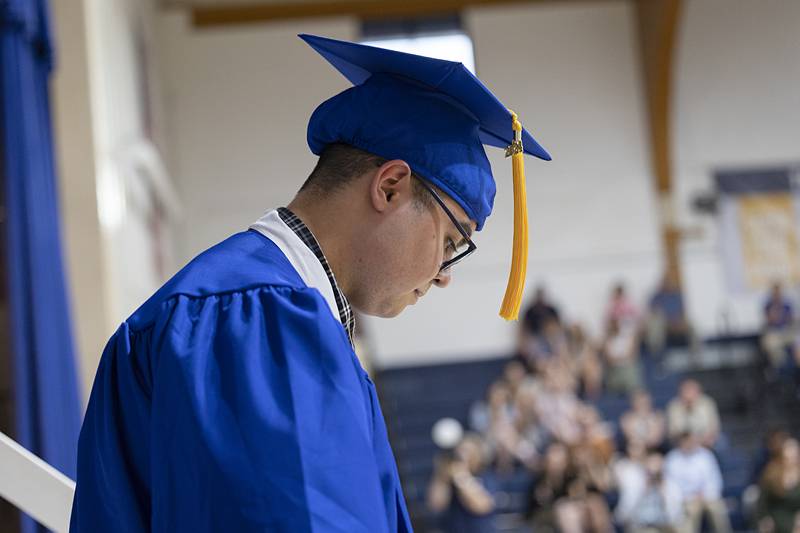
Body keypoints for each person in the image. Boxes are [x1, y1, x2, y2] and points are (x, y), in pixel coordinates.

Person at [69, 34, 551, 532]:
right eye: (452, 241)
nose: (445, 275)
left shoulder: (245, 307)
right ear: (390, 187)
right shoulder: (260, 322)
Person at [427, 434, 497, 533]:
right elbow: (436, 505)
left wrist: (461, 476)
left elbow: (480, 506)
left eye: (468, 452)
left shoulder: (486, 476)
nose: (463, 456)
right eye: (461, 451)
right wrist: (442, 476)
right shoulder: (449, 477)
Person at [664, 433, 731, 533]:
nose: (689, 444)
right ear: (681, 442)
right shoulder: (672, 459)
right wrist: (688, 497)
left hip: (707, 497)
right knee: (691, 511)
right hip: (685, 499)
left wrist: (706, 495)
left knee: (718, 509)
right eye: (686, 442)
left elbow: (714, 481)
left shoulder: (706, 455)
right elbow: (671, 486)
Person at [616, 452, 684, 533]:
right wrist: (642, 491)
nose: (653, 476)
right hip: (640, 527)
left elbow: (676, 517)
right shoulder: (636, 484)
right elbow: (624, 514)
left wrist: (664, 494)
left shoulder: (671, 487)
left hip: (664, 527)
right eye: (650, 473)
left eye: (657, 473)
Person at [757, 437, 800, 533]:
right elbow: (762, 502)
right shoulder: (771, 473)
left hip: (796, 518)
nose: (791, 458)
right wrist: (765, 519)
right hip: (777, 518)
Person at [666, 379, 721, 449]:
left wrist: (699, 441)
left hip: (705, 442)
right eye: (686, 390)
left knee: (720, 444)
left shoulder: (707, 403)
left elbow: (713, 427)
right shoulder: (674, 406)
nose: (688, 394)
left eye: (691, 390)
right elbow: (673, 432)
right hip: (681, 443)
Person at [761, 282, 797, 370]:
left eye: (778, 292)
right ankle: (780, 370)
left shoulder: (786, 305)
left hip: (787, 333)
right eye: (775, 292)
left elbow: (790, 320)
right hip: (774, 334)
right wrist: (775, 310)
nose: (777, 294)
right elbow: (770, 320)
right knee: (772, 345)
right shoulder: (768, 306)